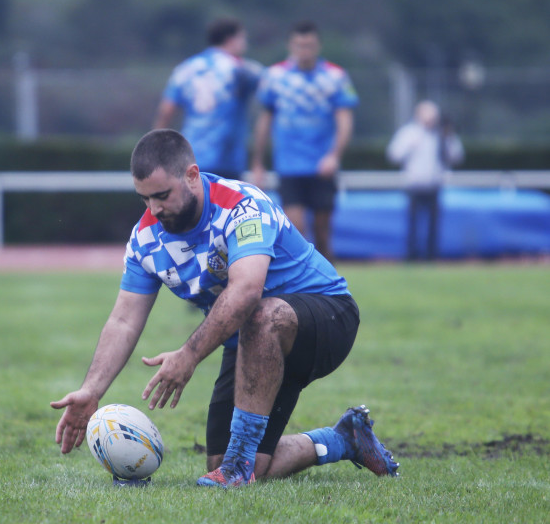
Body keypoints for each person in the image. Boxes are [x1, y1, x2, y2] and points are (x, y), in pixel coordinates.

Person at [52, 129, 398, 487]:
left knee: (262, 315)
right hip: (252, 339)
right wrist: (92, 389)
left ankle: (237, 468)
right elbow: (124, 320)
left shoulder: (241, 205)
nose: (154, 209)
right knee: (232, 461)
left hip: (327, 316)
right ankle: (344, 439)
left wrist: (188, 355)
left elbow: (247, 292)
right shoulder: (145, 240)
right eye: (144, 199)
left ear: (191, 175)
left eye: (162, 196)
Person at [251, 20, 357, 263]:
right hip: (289, 165)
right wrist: (258, 162)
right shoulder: (275, 76)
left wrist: (334, 155)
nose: (304, 51)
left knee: (322, 234)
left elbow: (345, 121)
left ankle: (330, 289)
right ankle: (304, 291)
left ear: (318, 45)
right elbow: (264, 121)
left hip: (322, 166)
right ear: (291, 45)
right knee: (297, 231)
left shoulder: (334, 76)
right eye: (299, 45)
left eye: (309, 45)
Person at [153, 17, 263, 181]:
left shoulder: (186, 68)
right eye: (243, 38)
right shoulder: (240, 69)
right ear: (231, 39)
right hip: (227, 158)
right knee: (226, 205)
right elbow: (271, 87)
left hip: (190, 156)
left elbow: (166, 111)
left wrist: (156, 151)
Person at [387, 100, 464, 261]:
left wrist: (448, 137)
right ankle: (412, 255)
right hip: (414, 185)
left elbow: (457, 156)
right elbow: (394, 154)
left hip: (434, 185)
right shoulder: (409, 133)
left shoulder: (442, 134)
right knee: (414, 224)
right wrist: (410, 146)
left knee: (433, 224)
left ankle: (431, 255)